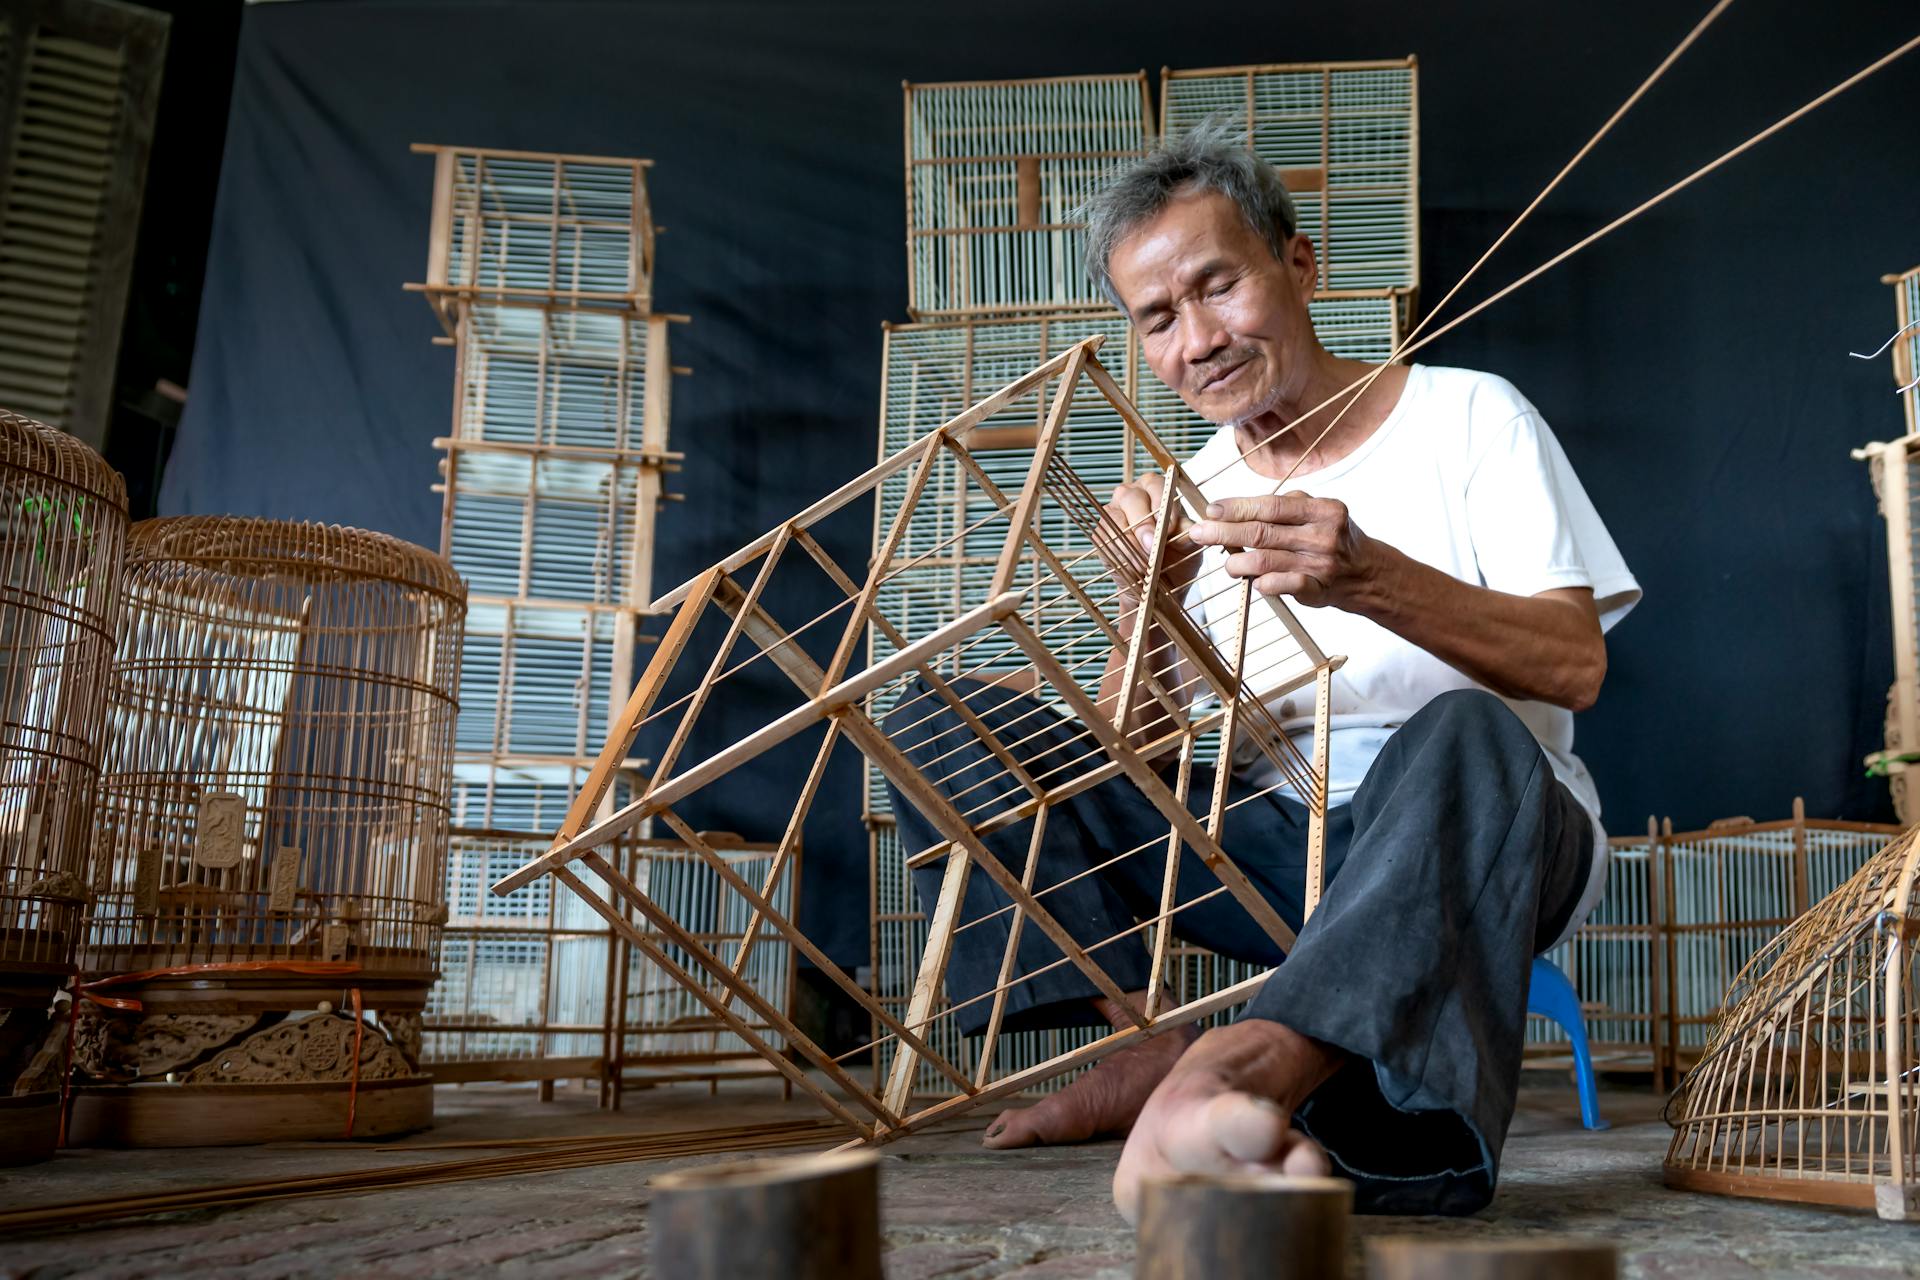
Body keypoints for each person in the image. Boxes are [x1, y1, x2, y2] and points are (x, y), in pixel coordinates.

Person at [882, 127, 1639, 1220]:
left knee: (1467, 726)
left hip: (1483, 840)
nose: (1198, 339)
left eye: (1217, 285)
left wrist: (1369, 575)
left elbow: (1577, 666)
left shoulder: (1472, 415)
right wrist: (1146, 610)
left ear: (1301, 262)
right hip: (1282, 857)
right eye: (1157, 317)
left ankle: (1247, 1069)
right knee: (939, 715)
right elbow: (1121, 769)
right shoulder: (1191, 489)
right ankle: (1147, 1044)